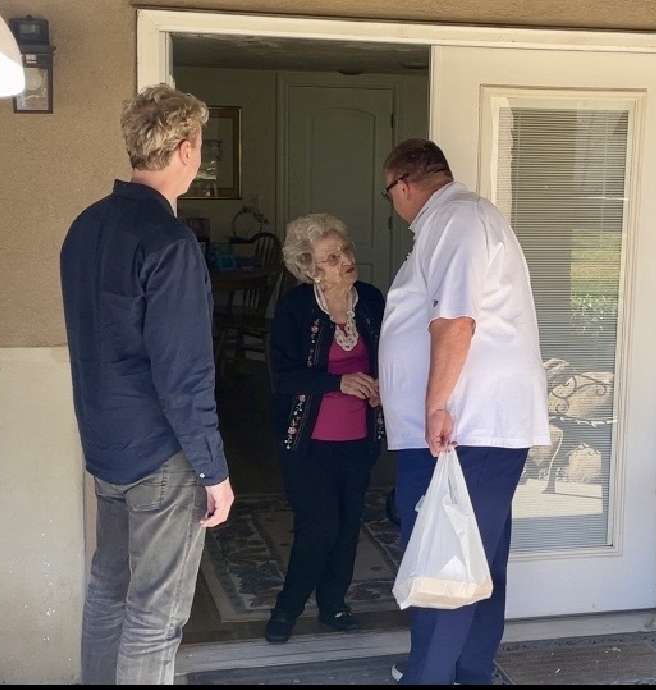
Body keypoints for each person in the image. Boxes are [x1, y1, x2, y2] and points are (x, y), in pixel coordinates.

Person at [60, 84, 234, 685]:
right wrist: (215, 471)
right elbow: (184, 375)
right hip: (162, 454)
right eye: (200, 146)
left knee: (108, 593)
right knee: (154, 618)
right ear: (185, 148)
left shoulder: (85, 227)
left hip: (105, 445)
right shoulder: (169, 241)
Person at [379, 139, 550, 684]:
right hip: (474, 427)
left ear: (403, 185)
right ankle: (471, 672)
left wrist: (433, 404)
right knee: (475, 560)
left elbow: (454, 321)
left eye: (389, 194)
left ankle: (430, 677)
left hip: (461, 428)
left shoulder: (456, 219)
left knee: (444, 563)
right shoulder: (456, 221)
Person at [265, 213, 386, 643]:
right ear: (311, 268)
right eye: (332, 258)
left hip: (358, 439)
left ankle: (334, 605)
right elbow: (284, 376)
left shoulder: (370, 300)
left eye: (346, 251)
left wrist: (381, 388)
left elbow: (391, 356)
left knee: (350, 525)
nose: (345, 261)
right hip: (309, 442)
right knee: (319, 528)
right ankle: (287, 609)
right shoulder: (297, 309)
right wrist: (337, 382)